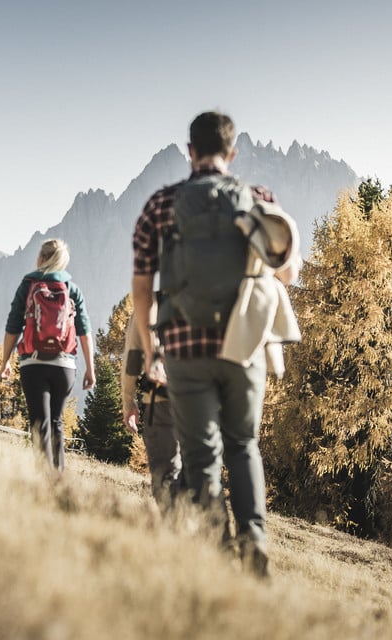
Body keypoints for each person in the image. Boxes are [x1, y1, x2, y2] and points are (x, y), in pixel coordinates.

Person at [131, 111, 299, 578]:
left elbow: (142, 288)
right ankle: (255, 539)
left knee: (201, 456)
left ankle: (219, 553)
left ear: (190, 151)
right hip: (243, 344)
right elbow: (288, 272)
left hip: (184, 348)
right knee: (243, 443)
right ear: (232, 152)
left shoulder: (160, 205)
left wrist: (150, 347)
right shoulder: (258, 199)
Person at [1, 239, 95, 474]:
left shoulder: (28, 285)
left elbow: (13, 326)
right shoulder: (71, 288)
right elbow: (84, 331)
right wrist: (90, 368)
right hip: (65, 365)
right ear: (63, 262)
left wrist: (5, 362)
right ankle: (59, 481)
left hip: (34, 363)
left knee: (39, 424)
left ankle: (45, 481)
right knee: (56, 422)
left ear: (41, 258)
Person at [121, 310, 183, 511]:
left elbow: (133, 357)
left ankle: (174, 524)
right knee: (203, 474)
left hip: (162, 401)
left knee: (166, 476)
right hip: (203, 402)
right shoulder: (212, 300)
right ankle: (207, 526)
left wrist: (128, 401)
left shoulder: (150, 305)